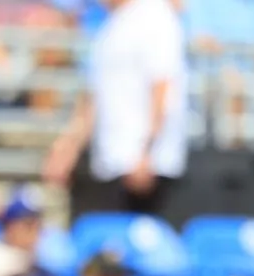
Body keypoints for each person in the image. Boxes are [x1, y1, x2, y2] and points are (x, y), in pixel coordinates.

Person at [43, 0, 189, 217]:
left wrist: (147, 153)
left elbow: (163, 91)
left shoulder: (155, 15)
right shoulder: (111, 24)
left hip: (144, 169)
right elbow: (94, 98)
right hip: (110, 165)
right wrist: (67, 150)